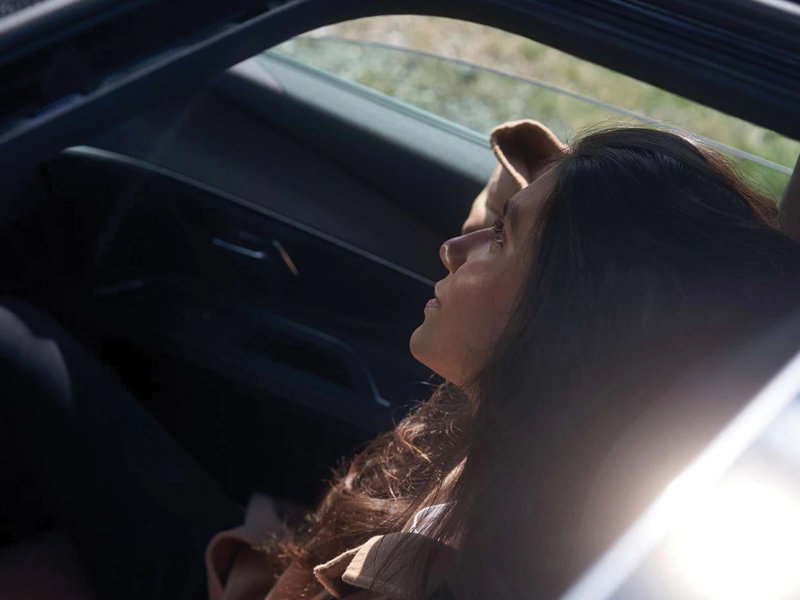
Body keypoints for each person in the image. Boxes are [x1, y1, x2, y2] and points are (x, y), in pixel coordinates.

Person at [207, 125, 800, 600]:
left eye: (501, 238)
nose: (453, 250)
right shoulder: (504, 452)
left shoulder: (460, 571)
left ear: (572, 314)